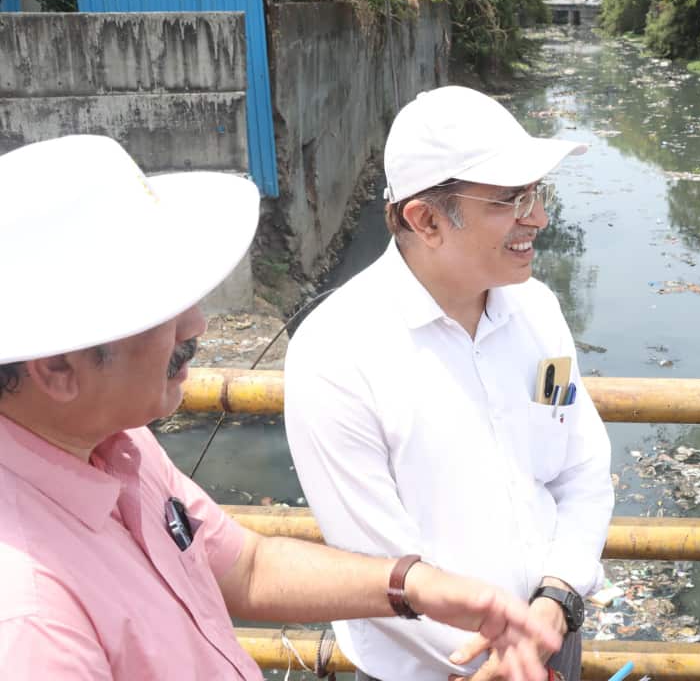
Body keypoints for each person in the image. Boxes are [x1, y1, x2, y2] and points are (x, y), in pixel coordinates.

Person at [0, 135, 562, 680]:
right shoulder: (31, 621)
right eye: (163, 309)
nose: (197, 325)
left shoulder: (118, 446)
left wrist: (415, 586)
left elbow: (247, 568)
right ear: (55, 369)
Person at [285, 86, 615, 681]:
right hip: (426, 669)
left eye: (535, 194)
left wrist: (558, 598)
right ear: (426, 218)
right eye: (510, 200)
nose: (536, 218)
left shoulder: (537, 310)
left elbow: (581, 470)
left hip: (551, 637)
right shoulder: (337, 351)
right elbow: (377, 563)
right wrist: (501, 660)